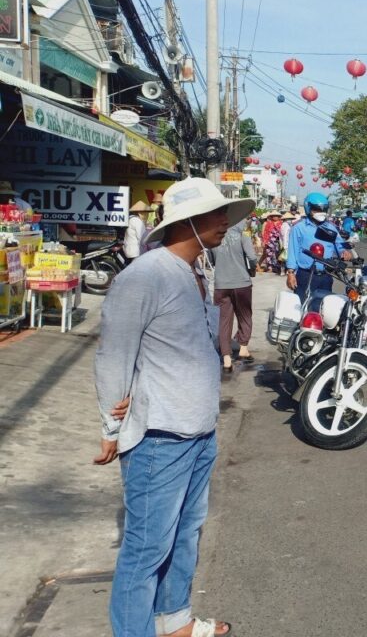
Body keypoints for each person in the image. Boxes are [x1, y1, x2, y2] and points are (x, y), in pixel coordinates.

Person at [93, 176, 251, 637]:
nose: (225, 222)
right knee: (146, 549)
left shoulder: (195, 270)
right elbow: (114, 353)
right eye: (216, 215)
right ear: (187, 222)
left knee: (185, 536)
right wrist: (109, 425)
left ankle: (174, 621)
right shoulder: (144, 275)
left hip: (198, 431)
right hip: (159, 437)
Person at [285, 193, 353, 307]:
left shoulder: (331, 227)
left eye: (323, 209)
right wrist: (291, 273)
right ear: (308, 208)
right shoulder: (299, 228)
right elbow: (293, 251)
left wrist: (344, 252)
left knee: (324, 308)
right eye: (317, 209)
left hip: (326, 275)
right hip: (305, 275)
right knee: (303, 308)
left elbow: (339, 245)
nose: (320, 212)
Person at [212, 219, 258, 372]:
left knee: (224, 321)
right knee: (245, 315)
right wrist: (251, 270)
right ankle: (243, 349)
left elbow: (211, 261)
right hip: (242, 283)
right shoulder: (243, 237)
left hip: (221, 285)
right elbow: (252, 257)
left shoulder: (215, 237)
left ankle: (226, 359)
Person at [261, 210, 284, 274]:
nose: (275, 217)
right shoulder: (268, 224)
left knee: (277, 254)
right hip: (269, 242)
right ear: (271, 217)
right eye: (273, 216)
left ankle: (277, 267)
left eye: (276, 216)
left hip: (278, 241)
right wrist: (264, 241)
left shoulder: (281, 223)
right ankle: (270, 267)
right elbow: (265, 233)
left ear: (278, 217)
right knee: (269, 254)